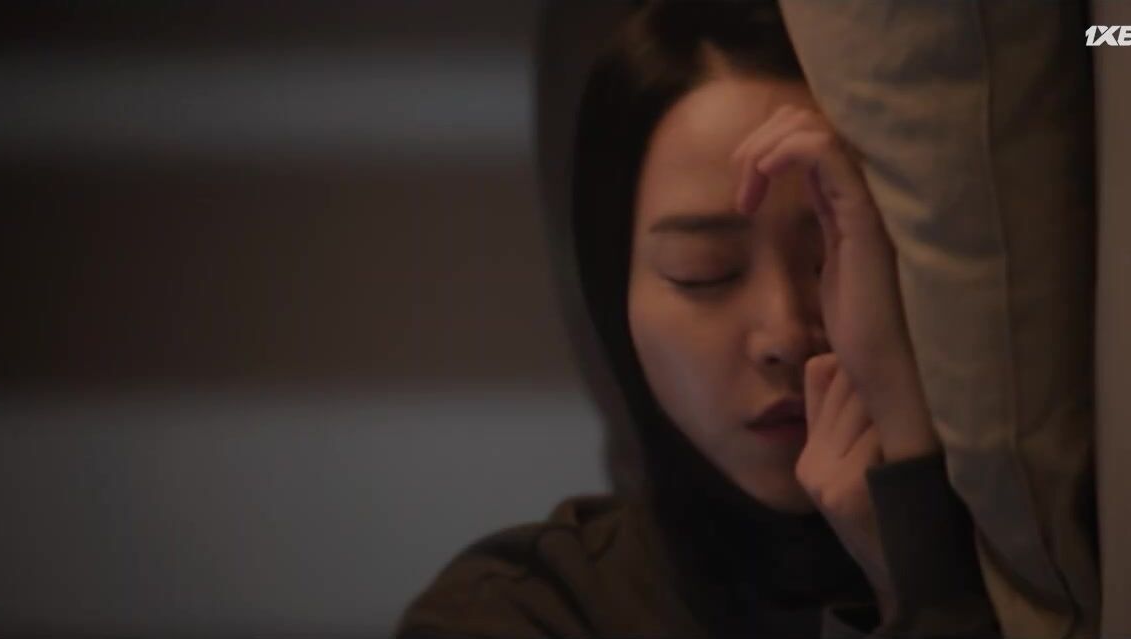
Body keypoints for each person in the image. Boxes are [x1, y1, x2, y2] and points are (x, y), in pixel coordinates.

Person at [397, 2, 998, 637]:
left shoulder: (1036, 561)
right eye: (704, 272)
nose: (786, 334)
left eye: (829, 260)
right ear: (613, 294)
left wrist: (919, 552)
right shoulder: (518, 613)